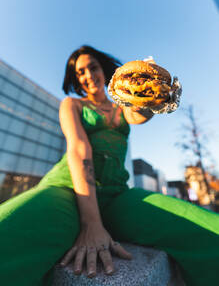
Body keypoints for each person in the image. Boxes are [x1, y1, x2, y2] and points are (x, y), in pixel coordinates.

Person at [0, 45, 219, 286]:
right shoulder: (72, 105)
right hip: (67, 189)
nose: (87, 75)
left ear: (103, 69)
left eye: (92, 67)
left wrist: (150, 91)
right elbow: (78, 148)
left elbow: (138, 114)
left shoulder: (121, 106)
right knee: (8, 235)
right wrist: (91, 224)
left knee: (208, 229)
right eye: (80, 72)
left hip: (117, 195)